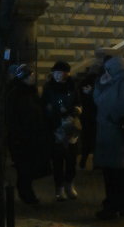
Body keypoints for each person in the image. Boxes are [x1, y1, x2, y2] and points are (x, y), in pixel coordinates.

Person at [93, 55, 124, 220]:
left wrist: (112, 116)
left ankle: (115, 205)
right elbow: (98, 100)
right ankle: (121, 204)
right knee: (114, 172)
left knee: (116, 173)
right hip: (108, 133)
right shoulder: (111, 83)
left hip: (116, 134)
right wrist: (100, 84)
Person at [7, 64, 49, 204]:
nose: (33, 77)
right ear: (23, 77)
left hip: (34, 136)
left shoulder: (32, 91)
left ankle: (27, 192)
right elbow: (12, 117)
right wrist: (16, 136)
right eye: (31, 75)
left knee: (29, 167)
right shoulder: (15, 93)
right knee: (24, 167)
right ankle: (26, 194)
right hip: (21, 137)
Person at [41, 60, 81, 200]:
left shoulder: (72, 87)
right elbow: (44, 106)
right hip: (56, 127)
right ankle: (59, 188)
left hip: (70, 128)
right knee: (58, 160)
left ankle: (70, 184)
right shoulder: (49, 87)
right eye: (56, 72)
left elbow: (78, 102)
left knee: (71, 159)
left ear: (67, 74)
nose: (57, 75)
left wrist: (76, 110)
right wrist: (53, 112)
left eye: (60, 72)